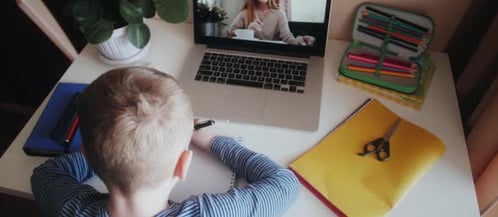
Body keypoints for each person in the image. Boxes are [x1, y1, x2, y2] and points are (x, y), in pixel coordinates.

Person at [31, 66, 300, 217]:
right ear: (183, 165)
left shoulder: (71, 208)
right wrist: (211, 140)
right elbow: (284, 185)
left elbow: (45, 174)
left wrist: (107, 148)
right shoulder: (210, 214)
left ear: (86, 154)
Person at [228, 0, 315, 46]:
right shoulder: (245, 13)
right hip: (249, 52)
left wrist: (299, 41)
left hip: (271, 53)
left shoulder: (279, 13)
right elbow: (230, 32)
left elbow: (287, 37)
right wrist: (247, 32)